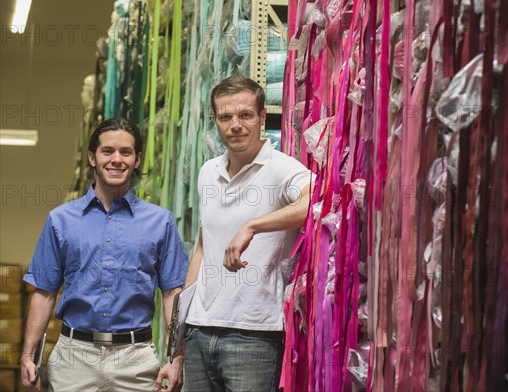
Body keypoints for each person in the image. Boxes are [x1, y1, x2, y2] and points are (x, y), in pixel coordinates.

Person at [20, 118, 189, 392]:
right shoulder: (60, 220)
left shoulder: (161, 221)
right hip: (73, 359)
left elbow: (172, 294)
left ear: (137, 160)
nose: (116, 160)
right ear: (92, 158)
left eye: (126, 152)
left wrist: (176, 357)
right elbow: (45, 292)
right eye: (107, 151)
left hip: (135, 360)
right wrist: (29, 356)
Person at [183, 75, 312, 391]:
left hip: (254, 334)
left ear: (262, 117)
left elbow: (317, 201)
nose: (235, 125)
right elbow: (202, 248)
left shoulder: (281, 168)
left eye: (245, 115)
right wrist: (180, 330)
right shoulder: (207, 171)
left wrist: (253, 226)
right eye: (226, 117)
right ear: (215, 120)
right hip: (199, 330)